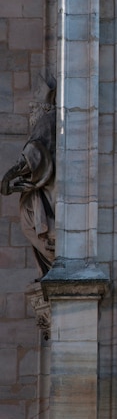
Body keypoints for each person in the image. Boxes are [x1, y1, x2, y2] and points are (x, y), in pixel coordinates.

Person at [1, 74, 56, 277]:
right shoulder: (48, 122)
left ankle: (54, 258)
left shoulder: (45, 122)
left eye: (33, 108)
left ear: (43, 107)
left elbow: (33, 154)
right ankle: (53, 259)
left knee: (28, 223)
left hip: (47, 191)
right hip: (44, 187)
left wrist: (10, 175)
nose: (32, 112)